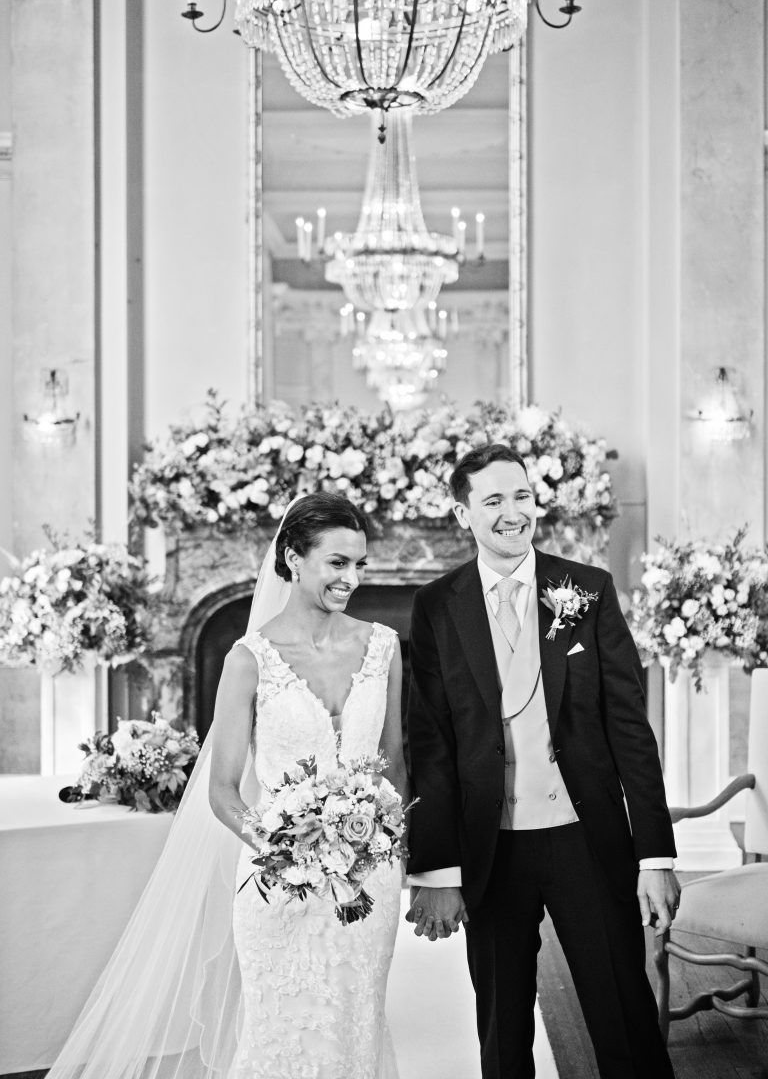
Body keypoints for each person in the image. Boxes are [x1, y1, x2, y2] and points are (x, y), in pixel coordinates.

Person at [45, 492, 407, 1079]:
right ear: (292, 558)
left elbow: (392, 762)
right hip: (277, 883)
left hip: (369, 885)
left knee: (354, 1024)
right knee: (283, 1036)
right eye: (337, 563)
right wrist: (292, 854)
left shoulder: (384, 647)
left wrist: (392, 854)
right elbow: (222, 792)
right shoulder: (249, 660)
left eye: (359, 564)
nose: (352, 578)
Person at [404, 443, 680, 1079]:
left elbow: (632, 732)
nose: (512, 512)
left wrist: (655, 856)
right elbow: (432, 743)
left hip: (585, 839)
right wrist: (437, 867)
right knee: (501, 1034)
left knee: (624, 1020)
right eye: (493, 500)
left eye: (521, 496)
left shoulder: (586, 589)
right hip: (490, 849)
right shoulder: (436, 606)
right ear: (461, 512)